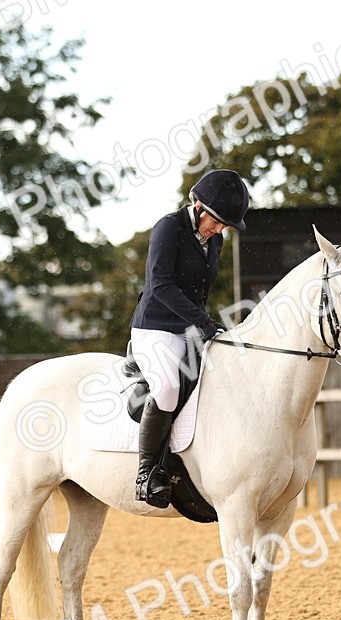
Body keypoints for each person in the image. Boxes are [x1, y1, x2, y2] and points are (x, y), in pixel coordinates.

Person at [128, 168, 250, 507]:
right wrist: (204, 322)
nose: (219, 229)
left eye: (225, 225)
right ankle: (147, 473)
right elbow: (161, 284)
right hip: (155, 327)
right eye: (217, 221)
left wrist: (208, 330)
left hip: (191, 328)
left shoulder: (216, 240)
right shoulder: (169, 227)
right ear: (198, 205)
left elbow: (199, 291)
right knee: (167, 386)